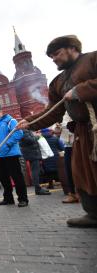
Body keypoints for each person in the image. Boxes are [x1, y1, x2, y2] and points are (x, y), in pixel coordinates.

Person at [17, 35, 97, 227]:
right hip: (82, 132)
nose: (54, 59)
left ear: (72, 48)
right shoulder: (58, 82)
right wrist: (29, 121)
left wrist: (81, 90)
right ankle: (94, 214)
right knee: (83, 172)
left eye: (58, 54)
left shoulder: (92, 59)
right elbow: (53, 112)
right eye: (51, 56)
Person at [0, 105, 28, 207]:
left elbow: (19, 133)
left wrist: (7, 144)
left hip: (10, 154)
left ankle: (23, 199)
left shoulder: (10, 121)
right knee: (4, 178)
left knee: (17, 177)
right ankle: (8, 199)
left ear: (0, 111)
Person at [19, 130, 51, 195]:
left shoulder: (26, 131)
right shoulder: (24, 131)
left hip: (33, 153)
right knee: (35, 171)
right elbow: (30, 140)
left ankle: (38, 187)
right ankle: (37, 189)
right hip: (32, 154)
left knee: (36, 171)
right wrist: (37, 136)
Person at [59, 113, 78, 203]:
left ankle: (82, 193)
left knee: (78, 169)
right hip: (68, 145)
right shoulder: (65, 112)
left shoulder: (75, 109)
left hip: (78, 143)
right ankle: (72, 193)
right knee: (69, 170)